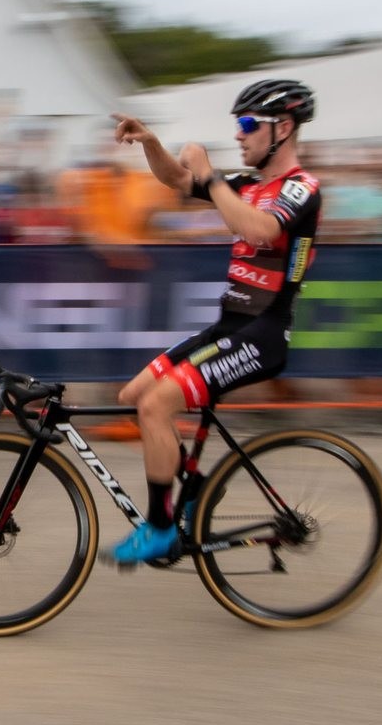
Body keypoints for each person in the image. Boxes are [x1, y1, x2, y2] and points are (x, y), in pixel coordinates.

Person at [105, 79, 321, 565]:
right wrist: (153, 144)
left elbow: (260, 229)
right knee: (134, 396)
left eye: (247, 125)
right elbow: (176, 182)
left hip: (262, 334)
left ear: (283, 129)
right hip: (230, 327)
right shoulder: (247, 186)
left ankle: (160, 529)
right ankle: (197, 485)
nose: (239, 135)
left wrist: (213, 176)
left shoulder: (300, 188)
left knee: (158, 406)